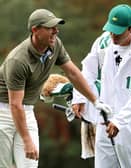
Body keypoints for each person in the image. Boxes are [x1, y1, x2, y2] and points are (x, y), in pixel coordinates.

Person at [0, 9, 111, 168]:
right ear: (35, 30)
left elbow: (73, 73)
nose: (55, 31)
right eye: (50, 27)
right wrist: (26, 141)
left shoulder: (55, 45)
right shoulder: (18, 60)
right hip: (4, 113)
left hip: (26, 111)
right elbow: (15, 105)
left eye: (56, 27)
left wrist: (94, 100)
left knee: (29, 165)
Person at [72, 4, 131, 168]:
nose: (113, 35)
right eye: (111, 29)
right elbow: (87, 71)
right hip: (105, 124)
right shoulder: (103, 42)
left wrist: (120, 121)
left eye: (118, 31)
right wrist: (79, 97)